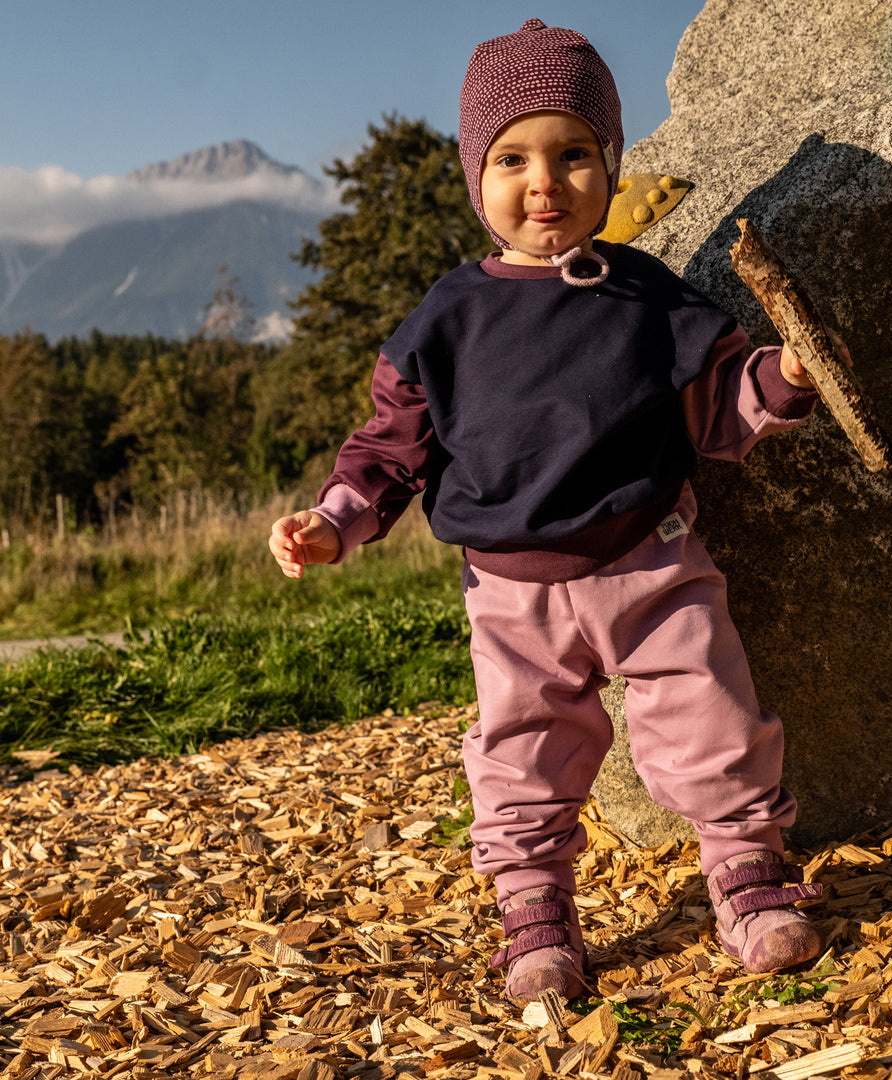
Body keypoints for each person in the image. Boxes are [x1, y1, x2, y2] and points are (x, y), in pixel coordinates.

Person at [269, 18, 831, 1004]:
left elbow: (719, 404)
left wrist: (784, 374)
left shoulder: (648, 297)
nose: (545, 182)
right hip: (512, 593)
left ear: (610, 166)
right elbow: (391, 448)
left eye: (576, 154)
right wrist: (334, 520)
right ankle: (535, 912)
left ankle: (747, 876)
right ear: (475, 175)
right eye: (514, 157)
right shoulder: (447, 320)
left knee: (715, 718)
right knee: (523, 757)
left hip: (653, 564)